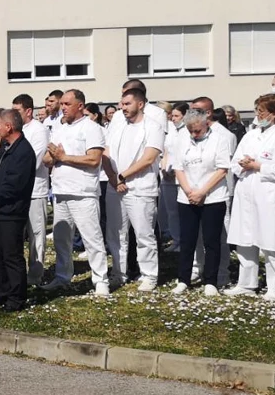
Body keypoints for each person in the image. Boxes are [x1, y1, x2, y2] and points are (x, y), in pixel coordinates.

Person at [225, 94, 275, 301]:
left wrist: (258, 166)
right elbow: (235, 161)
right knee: (244, 238)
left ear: (273, 114)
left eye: (262, 111)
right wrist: (244, 164)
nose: (258, 115)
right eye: (257, 110)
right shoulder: (250, 135)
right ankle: (246, 283)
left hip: (269, 194)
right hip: (246, 190)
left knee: (271, 240)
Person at [43, 89, 110, 296]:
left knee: (92, 238)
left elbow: (93, 159)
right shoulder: (58, 128)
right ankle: (63, 276)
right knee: (62, 239)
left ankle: (101, 280)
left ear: (80, 105)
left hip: (83, 192)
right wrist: (54, 157)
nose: (62, 107)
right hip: (61, 191)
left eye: (66, 104)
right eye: (61, 103)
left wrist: (63, 156)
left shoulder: (91, 128)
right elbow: (47, 159)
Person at [103, 87, 164, 292]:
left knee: (143, 234)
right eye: (121, 104)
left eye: (127, 104)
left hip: (140, 188)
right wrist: (113, 177)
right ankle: (119, 273)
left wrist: (122, 176)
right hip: (116, 186)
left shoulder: (152, 126)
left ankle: (149, 275)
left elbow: (148, 158)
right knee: (116, 233)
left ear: (140, 104)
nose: (122, 108)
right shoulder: (118, 125)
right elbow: (106, 152)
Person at [0, 109, 35, 312]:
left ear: (9, 127)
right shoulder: (7, 147)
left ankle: (16, 298)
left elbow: (13, 186)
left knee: (11, 256)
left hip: (10, 212)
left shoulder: (23, 151)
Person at [173, 109, 230, 296]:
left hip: (212, 196)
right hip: (187, 195)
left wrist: (202, 191)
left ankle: (211, 280)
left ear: (206, 123)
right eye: (190, 130)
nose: (194, 134)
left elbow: (222, 169)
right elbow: (178, 167)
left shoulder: (219, 139)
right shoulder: (182, 138)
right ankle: (183, 279)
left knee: (211, 240)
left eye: (197, 130)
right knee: (187, 240)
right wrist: (189, 191)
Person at [12, 93, 50, 285]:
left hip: (35, 189)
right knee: (17, 232)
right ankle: (17, 272)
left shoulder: (39, 130)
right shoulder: (17, 129)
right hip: (17, 191)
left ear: (28, 111)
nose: (14, 114)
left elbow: (32, 161)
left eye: (17, 110)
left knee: (36, 234)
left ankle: (35, 274)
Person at [159, 102, 189, 253]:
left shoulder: (188, 131)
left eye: (177, 116)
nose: (174, 119)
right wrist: (164, 169)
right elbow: (165, 151)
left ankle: (186, 241)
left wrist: (176, 171)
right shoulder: (169, 129)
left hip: (182, 176)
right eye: (173, 116)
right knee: (171, 211)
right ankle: (176, 240)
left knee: (184, 211)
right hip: (167, 176)